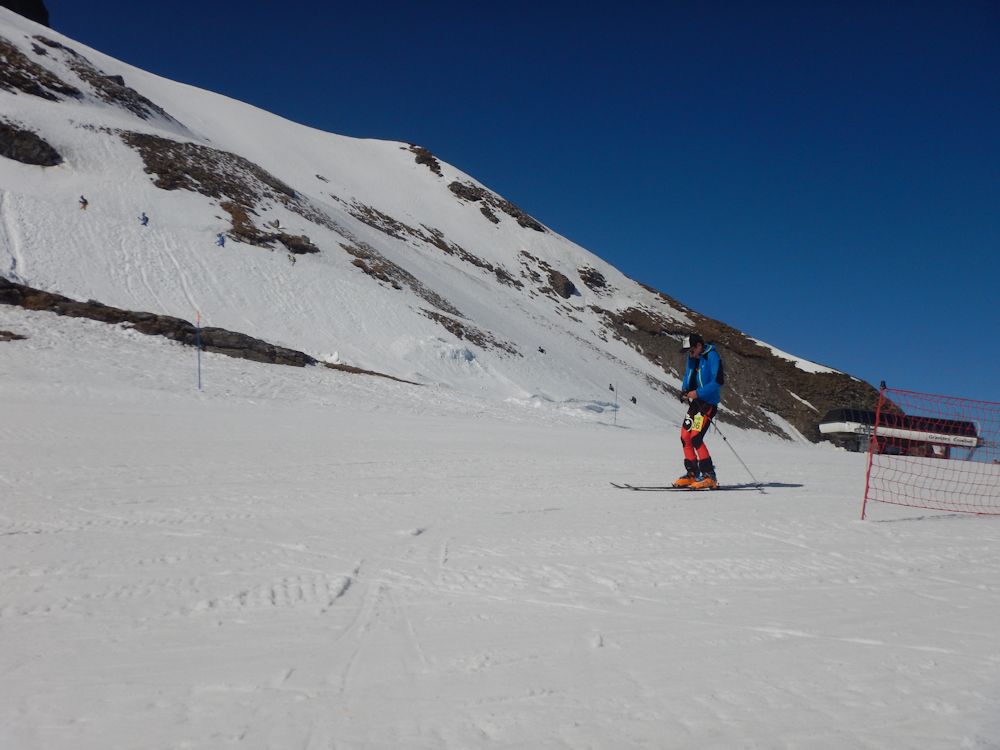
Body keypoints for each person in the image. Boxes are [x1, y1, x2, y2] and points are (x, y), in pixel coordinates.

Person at [673, 332, 725, 489]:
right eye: (688, 351)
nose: (690, 354)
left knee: (695, 437)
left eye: (691, 350)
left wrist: (698, 393)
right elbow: (688, 375)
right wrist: (685, 390)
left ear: (699, 346)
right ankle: (692, 473)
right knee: (685, 437)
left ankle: (710, 476)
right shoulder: (693, 358)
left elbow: (718, 381)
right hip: (696, 404)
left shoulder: (712, 356)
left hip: (707, 404)